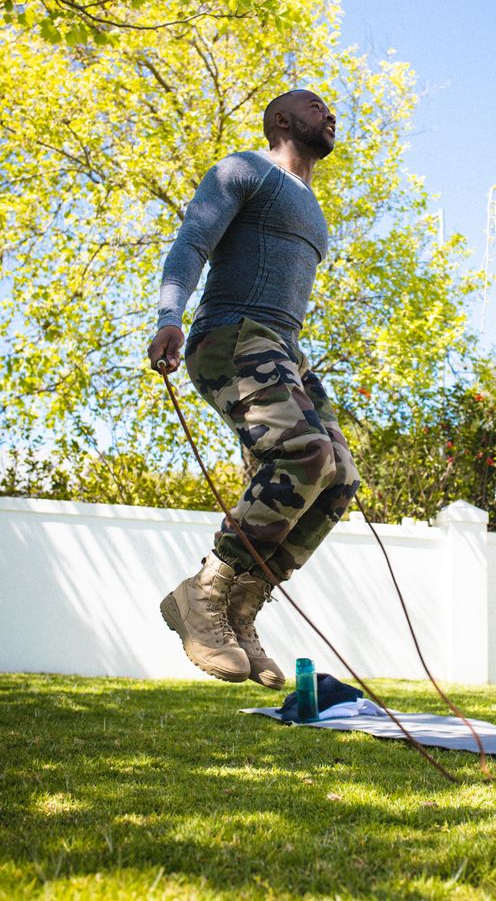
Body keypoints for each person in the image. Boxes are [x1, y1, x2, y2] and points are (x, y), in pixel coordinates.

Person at [147, 89, 360, 688]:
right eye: (317, 107)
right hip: (231, 334)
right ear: (282, 121)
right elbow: (192, 242)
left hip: (282, 347)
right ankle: (203, 592)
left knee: (338, 477)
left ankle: (240, 610)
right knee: (304, 452)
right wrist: (170, 315)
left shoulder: (311, 204)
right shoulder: (244, 170)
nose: (331, 114)